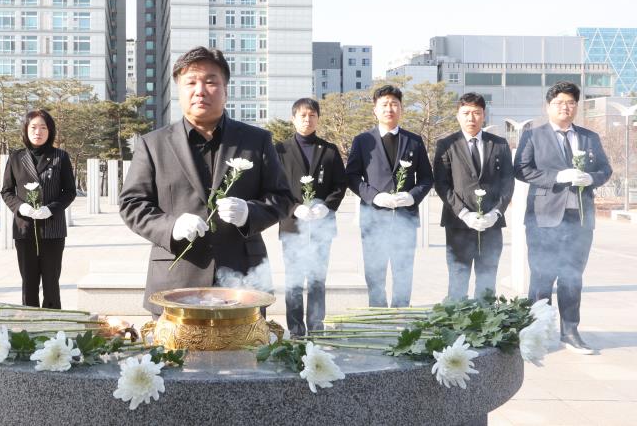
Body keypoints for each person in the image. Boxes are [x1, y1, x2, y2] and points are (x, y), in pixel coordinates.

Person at [119, 46, 293, 316]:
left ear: (225, 89)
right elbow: (132, 203)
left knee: (243, 357)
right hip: (175, 280)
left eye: (211, 81)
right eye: (191, 82)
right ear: (179, 89)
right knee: (174, 357)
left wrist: (250, 213)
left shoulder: (256, 141)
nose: (200, 90)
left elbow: (281, 197)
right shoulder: (153, 144)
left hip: (242, 281)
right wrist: (170, 226)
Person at [514, 81, 612, 354]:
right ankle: (535, 331)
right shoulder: (533, 135)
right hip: (544, 217)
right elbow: (521, 170)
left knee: (572, 277)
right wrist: (556, 177)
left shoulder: (589, 137)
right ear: (548, 106)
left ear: (576, 107)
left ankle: (570, 332)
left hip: (580, 219)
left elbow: (606, 169)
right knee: (542, 277)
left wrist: (590, 177)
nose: (565, 108)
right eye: (559, 103)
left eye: (570, 103)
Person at [345, 85, 434, 308]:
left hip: (405, 219)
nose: (389, 109)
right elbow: (352, 176)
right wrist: (374, 197)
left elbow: (426, 178)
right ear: (375, 110)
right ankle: (378, 321)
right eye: (384, 104)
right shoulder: (363, 141)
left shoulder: (414, 140)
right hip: (374, 220)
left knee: (403, 275)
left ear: (401, 109)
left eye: (394, 104)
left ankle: (401, 319)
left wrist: (412, 197)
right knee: (374, 276)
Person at [275, 98, 347, 336]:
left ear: (318, 118)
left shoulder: (329, 150)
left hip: (321, 226)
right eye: (303, 115)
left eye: (312, 115)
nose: (307, 120)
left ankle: (316, 327)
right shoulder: (281, 151)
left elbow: (340, 184)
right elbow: (274, 187)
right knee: (294, 282)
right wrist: (294, 207)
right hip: (292, 226)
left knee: (317, 280)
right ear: (293, 118)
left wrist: (327, 206)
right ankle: (295, 330)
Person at [433, 93, 515, 300]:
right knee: (458, 280)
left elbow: (508, 182)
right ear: (458, 116)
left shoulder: (499, 144)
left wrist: (496, 213)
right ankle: (456, 327)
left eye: (477, 113)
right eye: (466, 113)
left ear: (484, 115)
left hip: (491, 225)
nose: (472, 118)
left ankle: (485, 328)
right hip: (458, 225)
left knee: (487, 283)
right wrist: (464, 213)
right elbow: (442, 184)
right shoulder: (446, 144)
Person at [1, 109, 76, 309]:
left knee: (51, 282)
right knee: (29, 283)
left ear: (50, 131)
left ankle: (53, 326)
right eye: (33, 127)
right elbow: (7, 191)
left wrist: (52, 209)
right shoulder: (16, 157)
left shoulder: (60, 156)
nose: (38, 132)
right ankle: (30, 325)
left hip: (52, 229)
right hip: (25, 229)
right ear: (26, 130)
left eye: (43, 127)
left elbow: (69, 191)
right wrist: (21, 207)